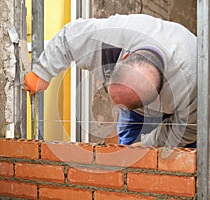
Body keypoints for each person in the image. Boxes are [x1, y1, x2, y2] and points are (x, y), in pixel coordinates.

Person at [24, 14, 197, 148]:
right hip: (138, 106)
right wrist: (42, 72)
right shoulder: (109, 38)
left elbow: (189, 128)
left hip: (178, 113)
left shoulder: (191, 83)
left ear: (159, 95)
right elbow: (67, 38)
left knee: (174, 164)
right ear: (125, 57)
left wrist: (148, 147)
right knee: (127, 160)